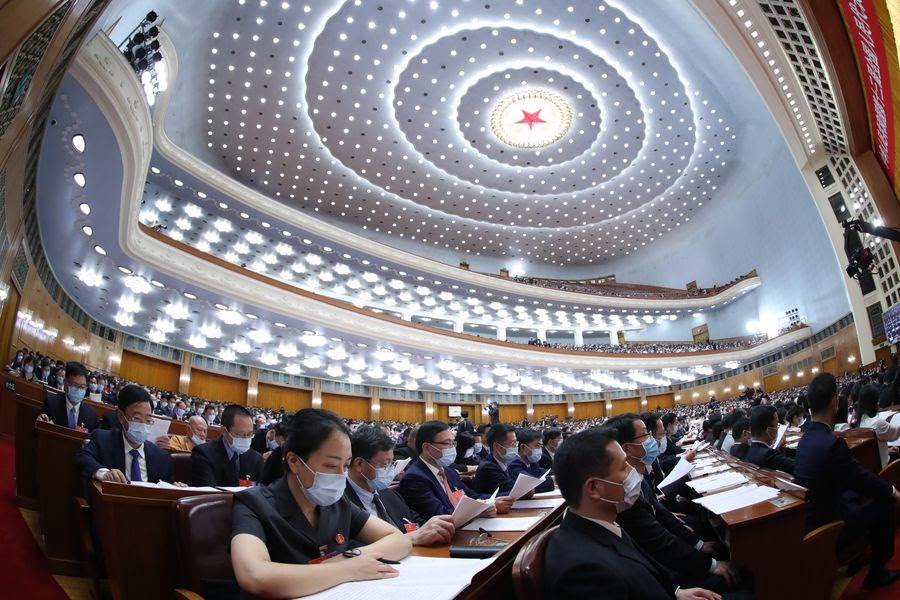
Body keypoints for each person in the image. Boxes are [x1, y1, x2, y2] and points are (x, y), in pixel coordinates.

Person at [231, 409, 410, 598]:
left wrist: (350, 557)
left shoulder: (336, 503)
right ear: (294, 461)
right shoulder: (253, 503)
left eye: (346, 465)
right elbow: (255, 576)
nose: (341, 475)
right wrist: (346, 569)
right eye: (331, 466)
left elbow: (397, 540)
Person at [543, 427, 721, 599]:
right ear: (594, 488)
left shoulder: (602, 522)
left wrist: (675, 593)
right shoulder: (583, 572)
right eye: (623, 467)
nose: (632, 471)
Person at [605, 414, 736, 592]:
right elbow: (659, 541)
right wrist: (711, 565)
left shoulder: (638, 477)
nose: (651, 439)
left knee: (708, 535)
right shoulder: (623, 493)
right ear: (627, 448)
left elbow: (661, 514)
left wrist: (698, 544)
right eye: (646, 435)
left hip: (665, 557)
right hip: (662, 570)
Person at [794, 373, 900, 590]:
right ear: (835, 402)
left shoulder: (805, 439)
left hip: (813, 515)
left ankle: (860, 554)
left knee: (861, 495)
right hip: (831, 526)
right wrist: (892, 491)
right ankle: (876, 573)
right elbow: (862, 479)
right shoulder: (831, 444)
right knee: (884, 502)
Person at [346, 426, 455, 546]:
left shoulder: (389, 494)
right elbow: (350, 548)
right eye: (385, 465)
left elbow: (414, 522)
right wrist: (408, 539)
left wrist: (435, 527)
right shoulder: (339, 503)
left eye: (392, 463)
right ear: (359, 464)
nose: (390, 471)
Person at [397, 420, 513, 519]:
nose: (452, 448)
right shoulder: (415, 478)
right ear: (427, 448)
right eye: (447, 443)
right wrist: (479, 511)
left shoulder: (449, 472)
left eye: (453, 443)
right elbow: (438, 514)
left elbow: (471, 496)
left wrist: (495, 500)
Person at [75, 385, 174, 484]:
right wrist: (104, 473)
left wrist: (176, 487)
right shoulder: (102, 439)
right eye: (137, 418)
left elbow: (166, 488)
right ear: (121, 417)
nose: (143, 425)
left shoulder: (161, 456)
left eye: (148, 420)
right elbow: (83, 458)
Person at [191, 404, 264, 487]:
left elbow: (262, 492)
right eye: (241, 434)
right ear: (224, 431)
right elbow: (208, 492)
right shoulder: (203, 454)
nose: (246, 439)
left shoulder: (256, 459)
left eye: (250, 434)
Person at [37, 361, 98, 431]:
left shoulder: (91, 414)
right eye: (75, 385)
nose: (78, 390)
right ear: (66, 383)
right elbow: (38, 433)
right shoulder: (51, 403)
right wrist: (40, 424)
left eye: (82, 387)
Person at [472, 423, 529, 496]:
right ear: (496, 446)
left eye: (515, 442)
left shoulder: (505, 462)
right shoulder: (488, 467)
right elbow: (513, 489)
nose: (515, 447)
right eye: (512, 443)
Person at [856, 384, 900, 468]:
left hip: (873, 466)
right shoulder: (877, 423)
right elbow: (895, 433)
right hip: (885, 469)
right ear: (875, 402)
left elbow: (871, 451)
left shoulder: (858, 422)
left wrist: (886, 451)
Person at [745, 405, 795, 474]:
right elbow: (797, 466)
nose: (778, 428)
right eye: (777, 424)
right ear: (769, 430)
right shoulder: (769, 455)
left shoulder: (750, 450)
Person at [508, 429, 554, 493]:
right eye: (537, 446)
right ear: (523, 447)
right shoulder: (514, 464)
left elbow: (544, 472)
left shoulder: (532, 462)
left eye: (541, 446)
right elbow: (532, 484)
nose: (540, 450)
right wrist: (554, 479)